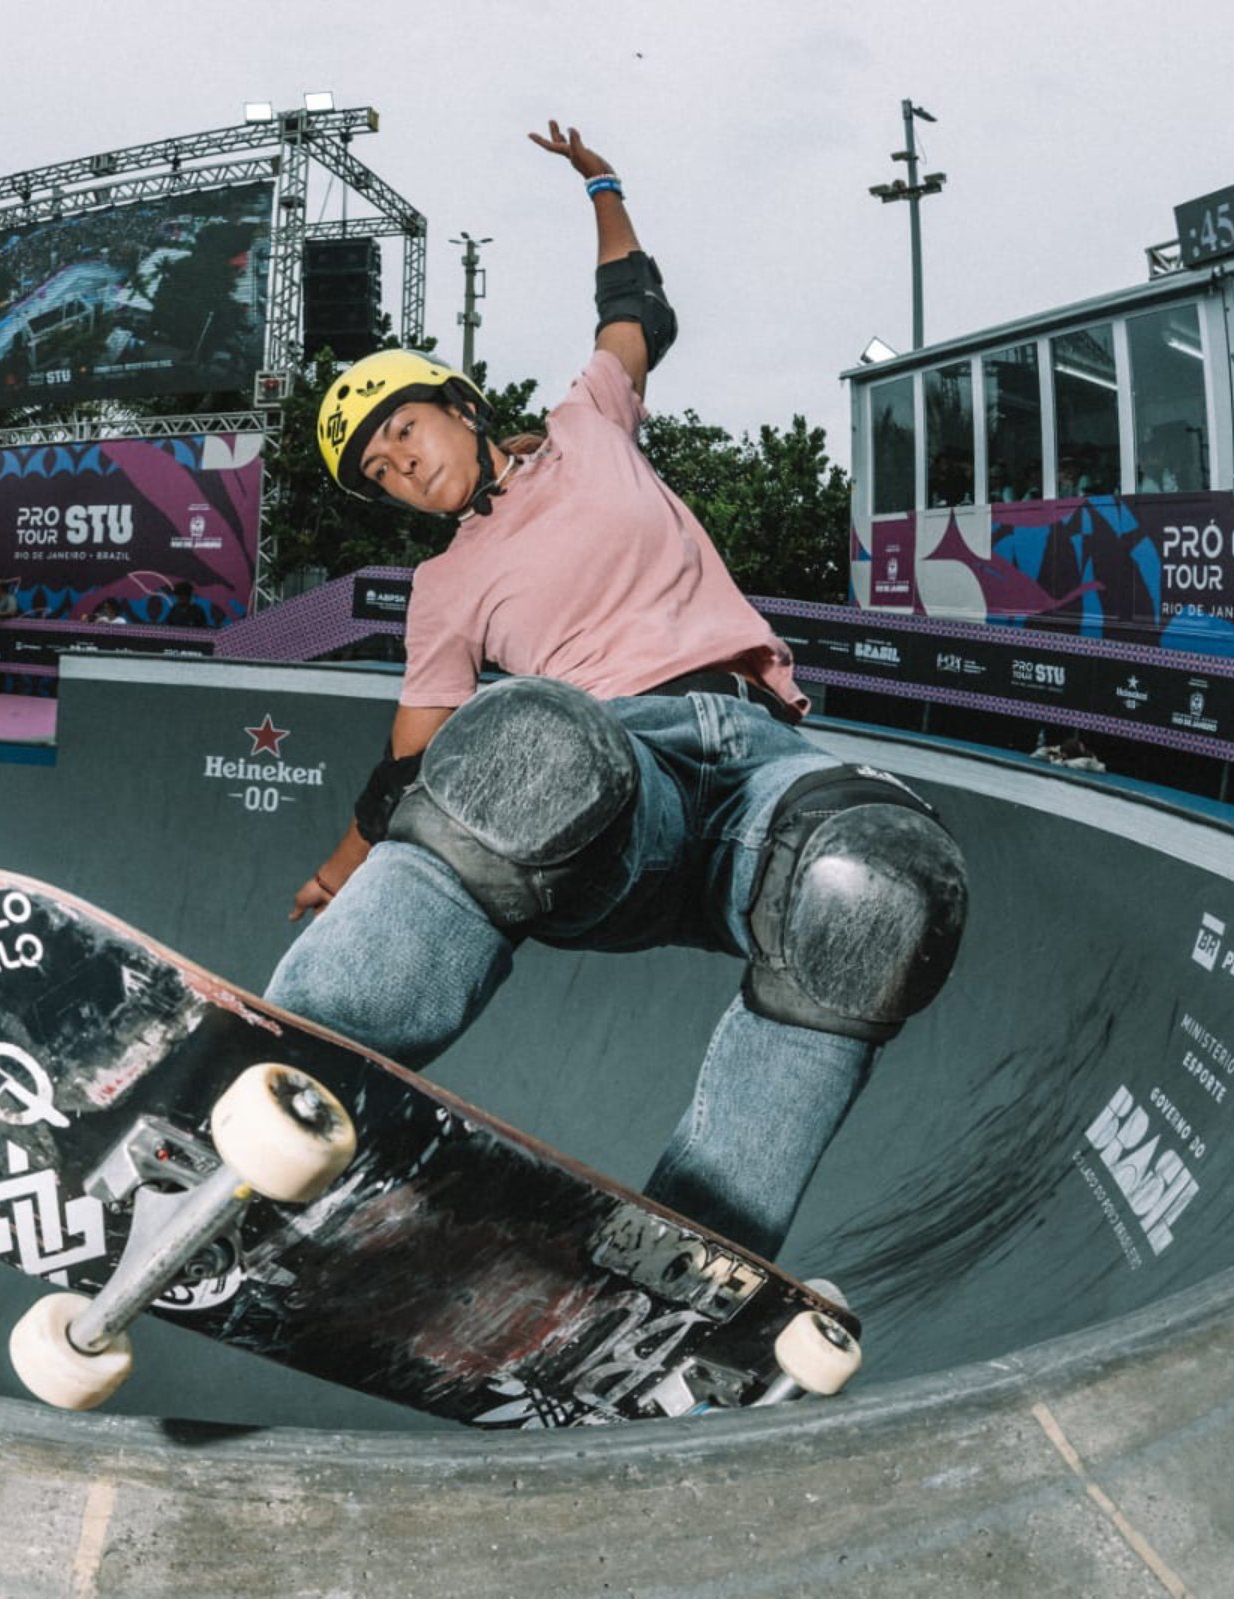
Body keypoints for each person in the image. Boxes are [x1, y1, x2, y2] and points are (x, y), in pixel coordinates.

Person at [266, 119, 970, 1264]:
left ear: (459, 404)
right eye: (380, 472)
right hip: (617, 801)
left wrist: (602, 184)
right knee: (534, 741)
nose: (401, 467)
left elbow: (638, 306)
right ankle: (291, 1078)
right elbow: (413, 770)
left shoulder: (588, 419)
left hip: (764, 769)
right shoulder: (443, 588)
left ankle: (694, 1257)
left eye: (403, 431)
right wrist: (342, 872)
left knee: (879, 879)